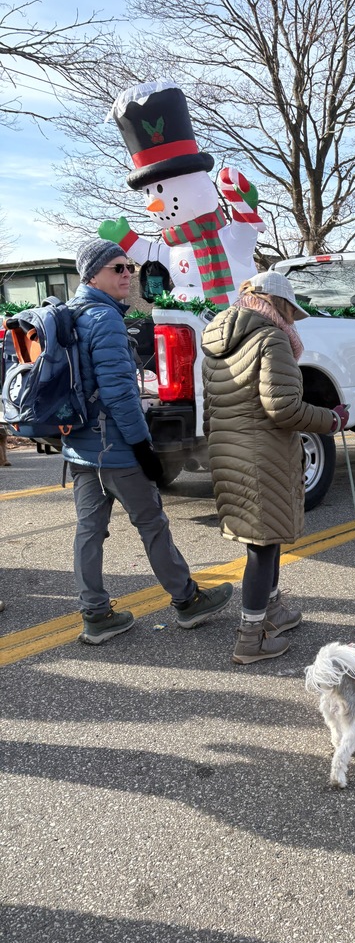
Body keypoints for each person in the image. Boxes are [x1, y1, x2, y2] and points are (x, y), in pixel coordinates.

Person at [65, 238, 234, 645]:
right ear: (92, 274)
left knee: (89, 530)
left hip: (82, 447)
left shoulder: (71, 314)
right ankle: (187, 601)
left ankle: (96, 614)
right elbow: (119, 394)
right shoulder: (103, 319)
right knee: (152, 524)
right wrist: (144, 449)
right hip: (116, 448)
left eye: (129, 267)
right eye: (117, 269)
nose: (128, 275)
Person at [202, 271, 348, 664]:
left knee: (264, 539)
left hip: (228, 452)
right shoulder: (272, 338)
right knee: (262, 548)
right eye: (291, 311)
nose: (292, 321)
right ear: (279, 305)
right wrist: (332, 420)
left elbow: (211, 409)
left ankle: (272, 610)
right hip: (262, 456)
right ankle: (251, 638)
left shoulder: (216, 340)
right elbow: (283, 407)